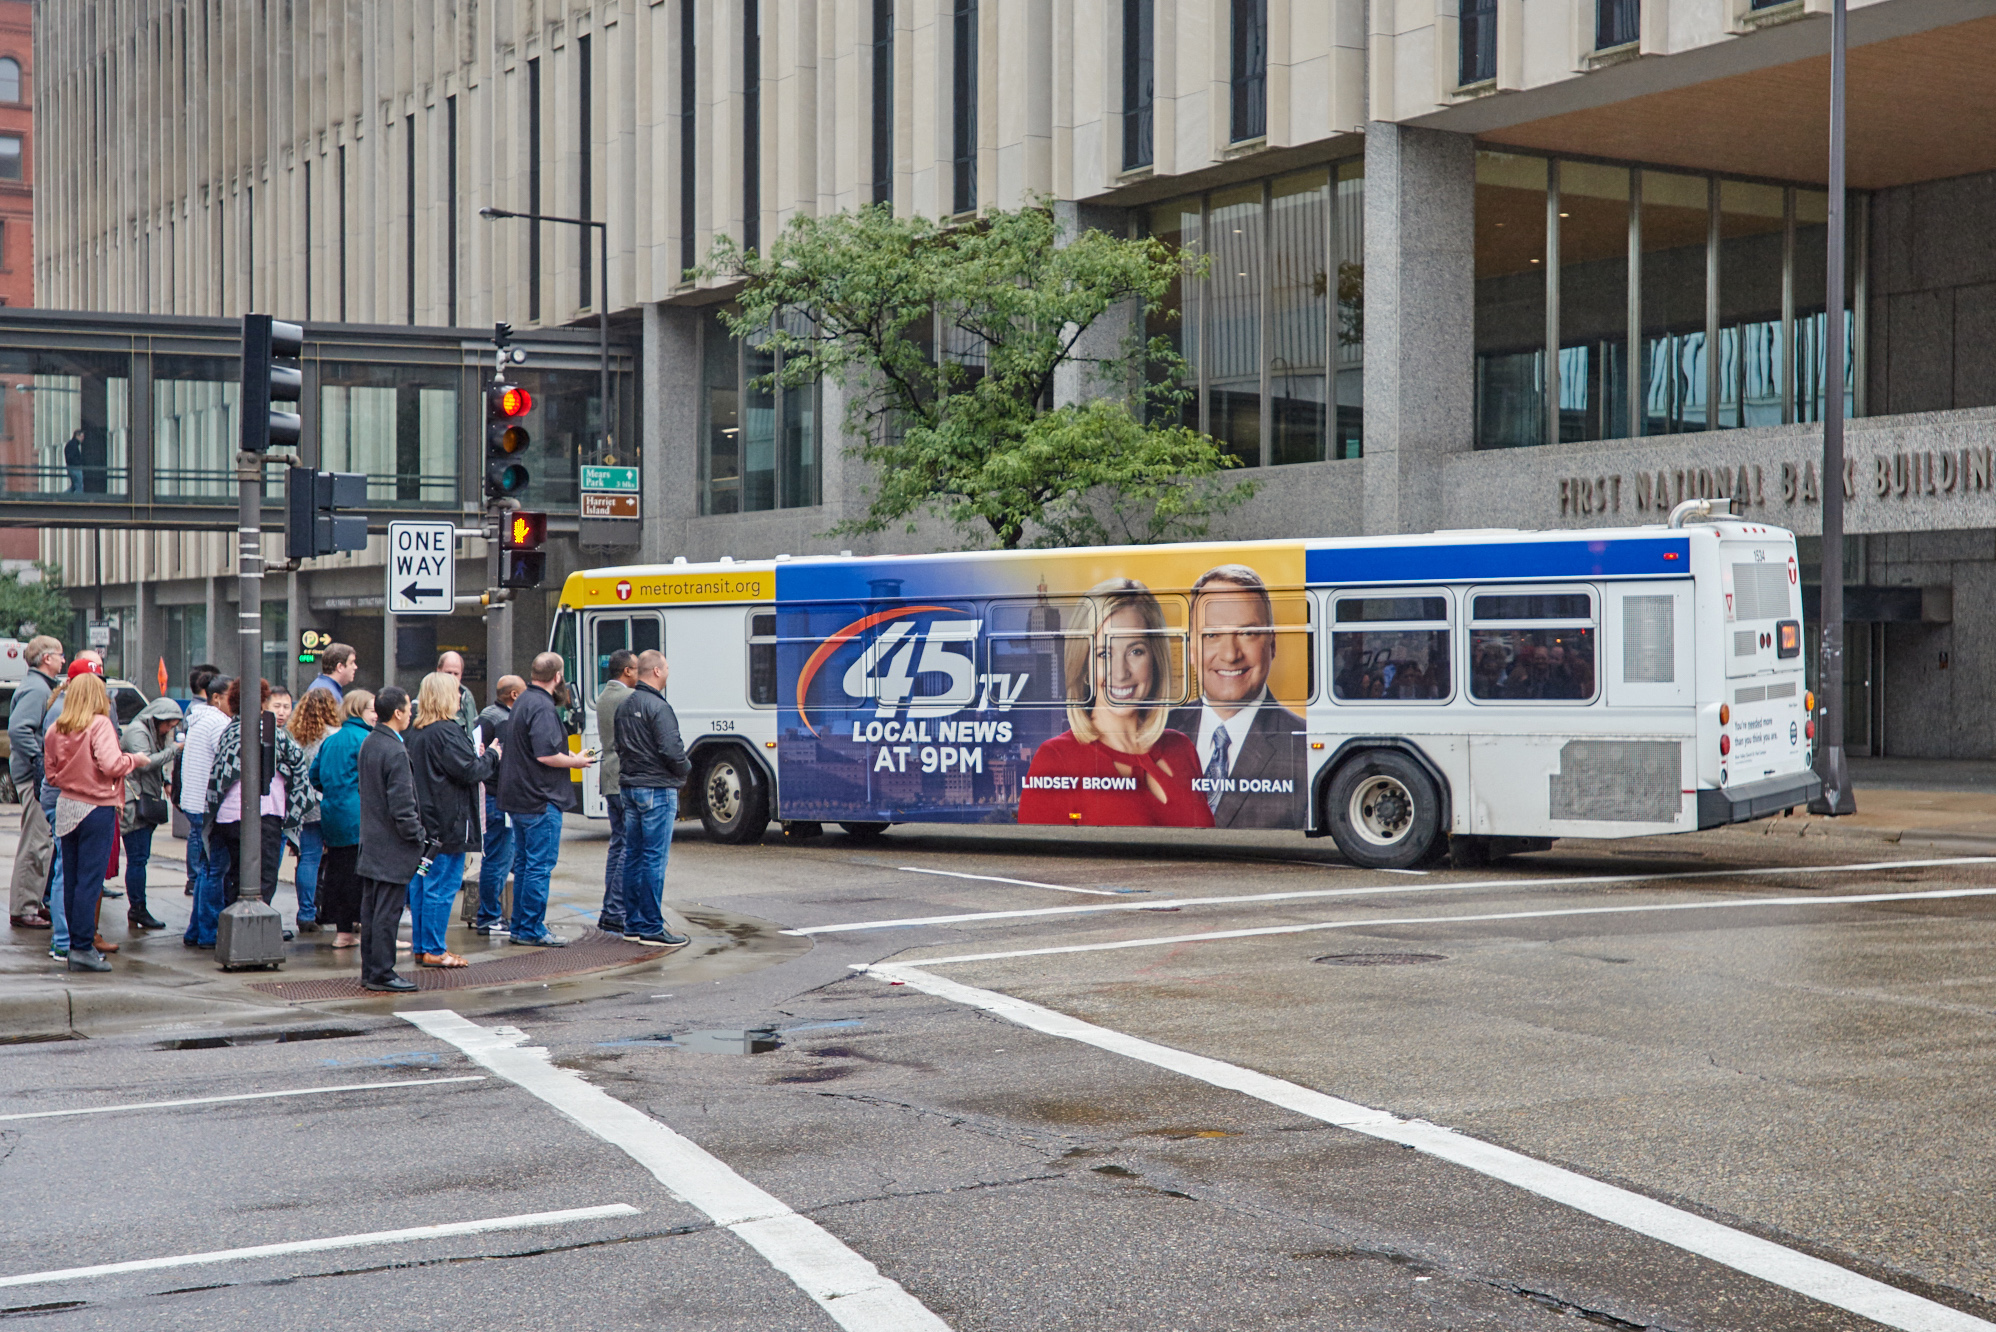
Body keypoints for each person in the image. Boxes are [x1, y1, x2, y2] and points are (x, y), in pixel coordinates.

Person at [1017, 578, 1211, 828]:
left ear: (1155, 659)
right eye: (1103, 654)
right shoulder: (1057, 758)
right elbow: (1037, 863)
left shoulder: (1181, 748)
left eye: (1135, 651)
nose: (1120, 673)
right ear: (1084, 666)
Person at [1166, 565, 1308, 830]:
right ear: (1192, 650)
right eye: (1212, 635)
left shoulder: (1305, 748)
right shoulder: (1154, 735)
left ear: (1272, 644)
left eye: (1247, 633)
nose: (1230, 654)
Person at [44, 674, 149, 972]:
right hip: (97, 807)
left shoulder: (55, 729)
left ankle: (72, 944)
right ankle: (82, 947)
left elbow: (50, 775)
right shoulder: (99, 724)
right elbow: (112, 764)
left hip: (66, 805)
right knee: (91, 881)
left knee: (71, 880)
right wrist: (135, 760)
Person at [495, 652, 596, 947]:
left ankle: (520, 926)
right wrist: (575, 762)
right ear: (558, 676)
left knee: (526, 864)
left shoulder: (522, 701)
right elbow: (545, 754)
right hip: (540, 799)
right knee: (539, 866)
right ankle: (531, 929)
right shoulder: (543, 706)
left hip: (519, 798)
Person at [406, 672, 499, 968]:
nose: (460, 698)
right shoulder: (447, 731)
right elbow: (470, 772)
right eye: (456, 693)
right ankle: (435, 948)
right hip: (449, 823)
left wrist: (473, 758)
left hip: (425, 821)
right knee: (442, 887)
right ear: (446, 697)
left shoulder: (416, 732)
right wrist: (492, 756)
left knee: (421, 883)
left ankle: (423, 946)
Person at [205, 678, 309, 936]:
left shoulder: (231, 729)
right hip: (263, 813)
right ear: (262, 700)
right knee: (265, 876)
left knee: (237, 875)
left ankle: (235, 928)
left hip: (228, 816)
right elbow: (297, 761)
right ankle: (258, 929)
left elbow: (220, 773)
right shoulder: (268, 729)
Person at [613, 649, 691, 948]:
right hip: (657, 789)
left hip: (630, 787)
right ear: (656, 672)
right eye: (667, 668)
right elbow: (672, 749)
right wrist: (686, 770)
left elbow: (619, 745)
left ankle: (632, 923)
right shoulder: (659, 707)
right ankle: (651, 926)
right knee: (654, 859)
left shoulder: (626, 704)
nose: (668, 672)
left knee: (633, 856)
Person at [355, 686, 425, 993]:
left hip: (372, 841)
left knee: (372, 911)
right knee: (387, 912)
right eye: (408, 708)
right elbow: (402, 806)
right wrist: (418, 836)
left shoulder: (371, 742)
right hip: (391, 844)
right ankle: (382, 972)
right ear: (397, 713)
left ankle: (371, 970)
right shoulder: (394, 749)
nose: (411, 712)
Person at [7, 635, 64, 929]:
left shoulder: (38, 686)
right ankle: (24, 906)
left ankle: (32, 902)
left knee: (40, 840)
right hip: (33, 777)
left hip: (32, 773)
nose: (62, 660)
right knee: (36, 841)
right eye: (59, 655)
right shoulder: (37, 689)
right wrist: (39, 761)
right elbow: (18, 730)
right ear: (46, 658)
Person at [311, 690, 375, 950]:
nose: (377, 713)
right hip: (360, 817)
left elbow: (314, 776)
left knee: (338, 873)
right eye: (372, 709)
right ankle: (374, 933)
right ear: (359, 711)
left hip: (332, 815)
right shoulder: (366, 739)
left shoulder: (331, 740)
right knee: (363, 878)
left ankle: (343, 932)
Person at [118, 696, 184, 930]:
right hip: (133, 802)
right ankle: (137, 907)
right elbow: (145, 762)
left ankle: (138, 907)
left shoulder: (153, 732)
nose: (169, 729)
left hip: (146, 798)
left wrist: (166, 780)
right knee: (137, 858)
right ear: (157, 718)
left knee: (140, 857)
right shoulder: (137, 731)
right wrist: (173, 751)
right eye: (168, 724)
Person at [179, 674, 234, 947]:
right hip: (208, 805)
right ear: (216, 698)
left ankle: (195, 930)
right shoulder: (218, 723)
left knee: (205, 869)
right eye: (231, 696)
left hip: (193, 802)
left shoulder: (199, 719)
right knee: (214, 870)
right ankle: (208, 933)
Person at [471, 675, 524, 934]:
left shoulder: (486, 715)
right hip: (499, 798)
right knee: (498, 859)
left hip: (488, 795)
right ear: (514, 695)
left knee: (495, 857)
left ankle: (488, 914)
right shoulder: (504, 720)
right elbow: (510, 760)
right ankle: (490, 917)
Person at [287, 687, 342, 935]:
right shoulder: (334, 735)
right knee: (337, 858)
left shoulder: (294, 734)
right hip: (328, 802)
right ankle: (330, 911)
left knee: (308, 858)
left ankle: (305, 913)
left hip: (303, 804)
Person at [593, 649, 639, 936]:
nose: (638, 673)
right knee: (628, 847)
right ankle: (615, 909)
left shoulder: (604, 696)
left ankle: (610, 909)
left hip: (608, 775)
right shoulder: (628, 698)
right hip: (624, 777)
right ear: (626, 671)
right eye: (636, 669)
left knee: (617, 845)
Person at [436, 651, 479, 742]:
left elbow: (473, 724)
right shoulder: (430, 695)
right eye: (448, 673)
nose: (452, 678)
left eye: (456, 674)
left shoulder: (467, 695)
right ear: (438, 670)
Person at [63, 428, 84, 493]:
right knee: (79, 486)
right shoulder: (73, 445)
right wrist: (79, 463)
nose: (83, 438)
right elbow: (72, 457)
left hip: (71, 467)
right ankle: (79, 501)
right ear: (77, 436)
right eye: (82, 436)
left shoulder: (71, 444)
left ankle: (63, 496)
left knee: (74, 486)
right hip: (75, 468)